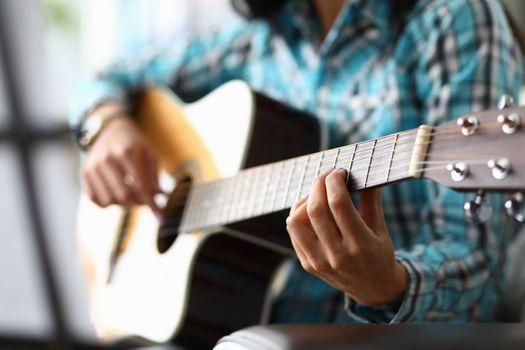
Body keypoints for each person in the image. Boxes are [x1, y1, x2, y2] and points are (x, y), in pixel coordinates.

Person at [72, 0, 523, 324]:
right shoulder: (256, 44)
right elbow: (103, 79)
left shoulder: (452, 17)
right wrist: (105, 123)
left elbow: (479, 276)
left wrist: (388, 286)